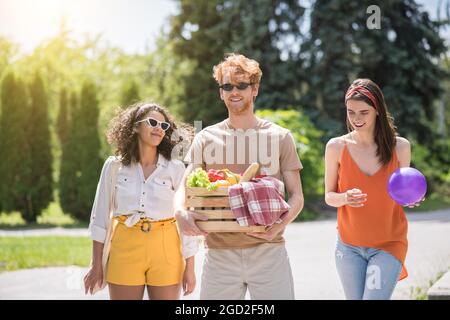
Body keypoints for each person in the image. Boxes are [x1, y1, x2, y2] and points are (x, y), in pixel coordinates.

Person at [174, 53, 304, 299]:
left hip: (268, 253)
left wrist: (279, 227)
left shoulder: (280, 136)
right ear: (220, 92)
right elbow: (185, 186)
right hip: (219, 256)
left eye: (242, 85)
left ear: (254, 89)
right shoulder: (206, 138)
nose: (234, 91)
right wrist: (180, 211)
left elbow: (297, 195)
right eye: (227, 86)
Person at [84, 103, 198, 300]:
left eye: (163, 126)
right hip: (124, 246)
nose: (158, 129)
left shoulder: (176, 168)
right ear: (135, 126)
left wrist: (190, 267)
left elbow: (186, 219)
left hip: (166, 247)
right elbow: (100, 218)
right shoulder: (114, 167)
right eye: (152, 122)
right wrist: (96, 265)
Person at [324, 78, 424, 300]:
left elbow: (402, 192)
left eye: (363, 112)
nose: (356, 119)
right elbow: (329, 197)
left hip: (388, 245)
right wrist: (345, 197)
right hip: (348, 247)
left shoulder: (400, 147)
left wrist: (410, 198)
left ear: (377, 110)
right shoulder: (336, 147)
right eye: (351, 112)